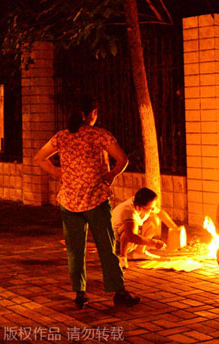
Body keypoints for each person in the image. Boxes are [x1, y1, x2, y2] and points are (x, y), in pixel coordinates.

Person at [34, 96, 140, 309]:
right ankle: (118, 291)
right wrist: (112, 174)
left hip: (69, 201)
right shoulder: (99, 135)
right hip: (96, 200)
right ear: (92, 113)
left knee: (75, 250)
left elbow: (39, 158)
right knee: (107, 248)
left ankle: (80, 294)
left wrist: (58, 173)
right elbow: (123, 159)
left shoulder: (62, 136)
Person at [112, 188, 166, 269]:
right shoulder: (129, 211)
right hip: (114, 242)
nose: (153, 209)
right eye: (151, 208)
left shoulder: (139, 201)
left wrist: (174, 228)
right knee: (128, 229)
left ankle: (140, 252)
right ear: (139, 208)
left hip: (129, 236)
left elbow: (160, 212)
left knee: (154, 219)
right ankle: (122, 257)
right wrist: (154, 243)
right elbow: (131, 236)